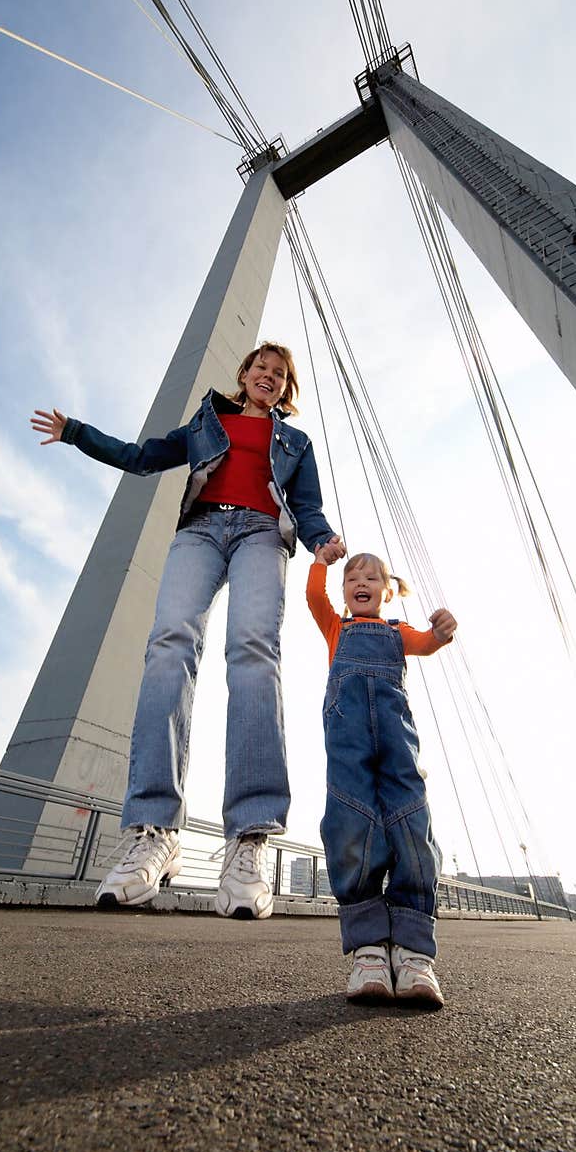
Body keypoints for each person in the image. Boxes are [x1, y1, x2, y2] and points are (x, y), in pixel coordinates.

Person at [32, 342, 344, 919]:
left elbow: (310, 507)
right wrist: (76, 431)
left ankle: (248, 840)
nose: (268, 377)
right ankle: (154, 830)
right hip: (200, 531)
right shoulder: (208, 421)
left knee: (253, 652)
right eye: (261, 368)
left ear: (286, 389)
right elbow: (143, 456)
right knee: (169, 645)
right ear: (243, 374)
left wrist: (324, 541)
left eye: (280, 374)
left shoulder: (296, 444)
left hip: (262, 536)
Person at [306, 548, 457, 1006]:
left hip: (396, 738)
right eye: (353, 578)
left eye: (372, 577)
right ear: (346, 593)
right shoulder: (337, 628)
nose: (361, 582)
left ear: (387, 592)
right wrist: (322, 560)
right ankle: (369, 949)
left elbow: (427, 643)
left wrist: (441, 633)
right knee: (351, 819)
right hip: (347, 735)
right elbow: (314, 597)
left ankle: (413, 953)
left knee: (412, 820)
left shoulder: (398, 632)